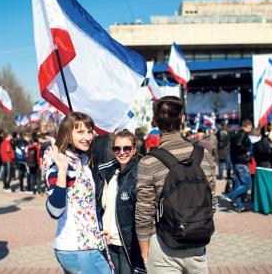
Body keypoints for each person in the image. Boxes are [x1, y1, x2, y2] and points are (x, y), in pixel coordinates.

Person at [135, 96, 217, 273]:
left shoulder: (148, 162)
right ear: (183, 119)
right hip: (197, 242)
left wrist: (144, 250)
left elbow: (144, 211)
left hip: (163, 244)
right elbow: (212, 203)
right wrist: (195, 224)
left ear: (155, 122)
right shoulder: (204, 156)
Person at [44, 112, 112, 273]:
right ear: (67, 134)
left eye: (89, 131)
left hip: (88, 246)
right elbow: (54, 210)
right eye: (80, 132)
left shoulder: (82, 162)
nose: (87, 136)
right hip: (78, 249)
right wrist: (62, 172)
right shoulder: (58, 164)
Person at [96, 129, 146, 273]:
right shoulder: (108, 173)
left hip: (127, 245)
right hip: (108, 242)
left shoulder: (139, 175)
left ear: (134, 149)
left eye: (127, 148)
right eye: (117, 148)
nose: (122, 152)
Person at [223, 119, 253, 212]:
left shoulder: (234, 134)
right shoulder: (244, 134)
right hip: (241, 163)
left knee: (238, 184)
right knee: (248, 185)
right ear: (248, 126)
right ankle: (230, 196)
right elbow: (239, 144)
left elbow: (233, 147)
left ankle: (240, 206)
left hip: (235, 162)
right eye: (250, 127)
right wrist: (246, 152)